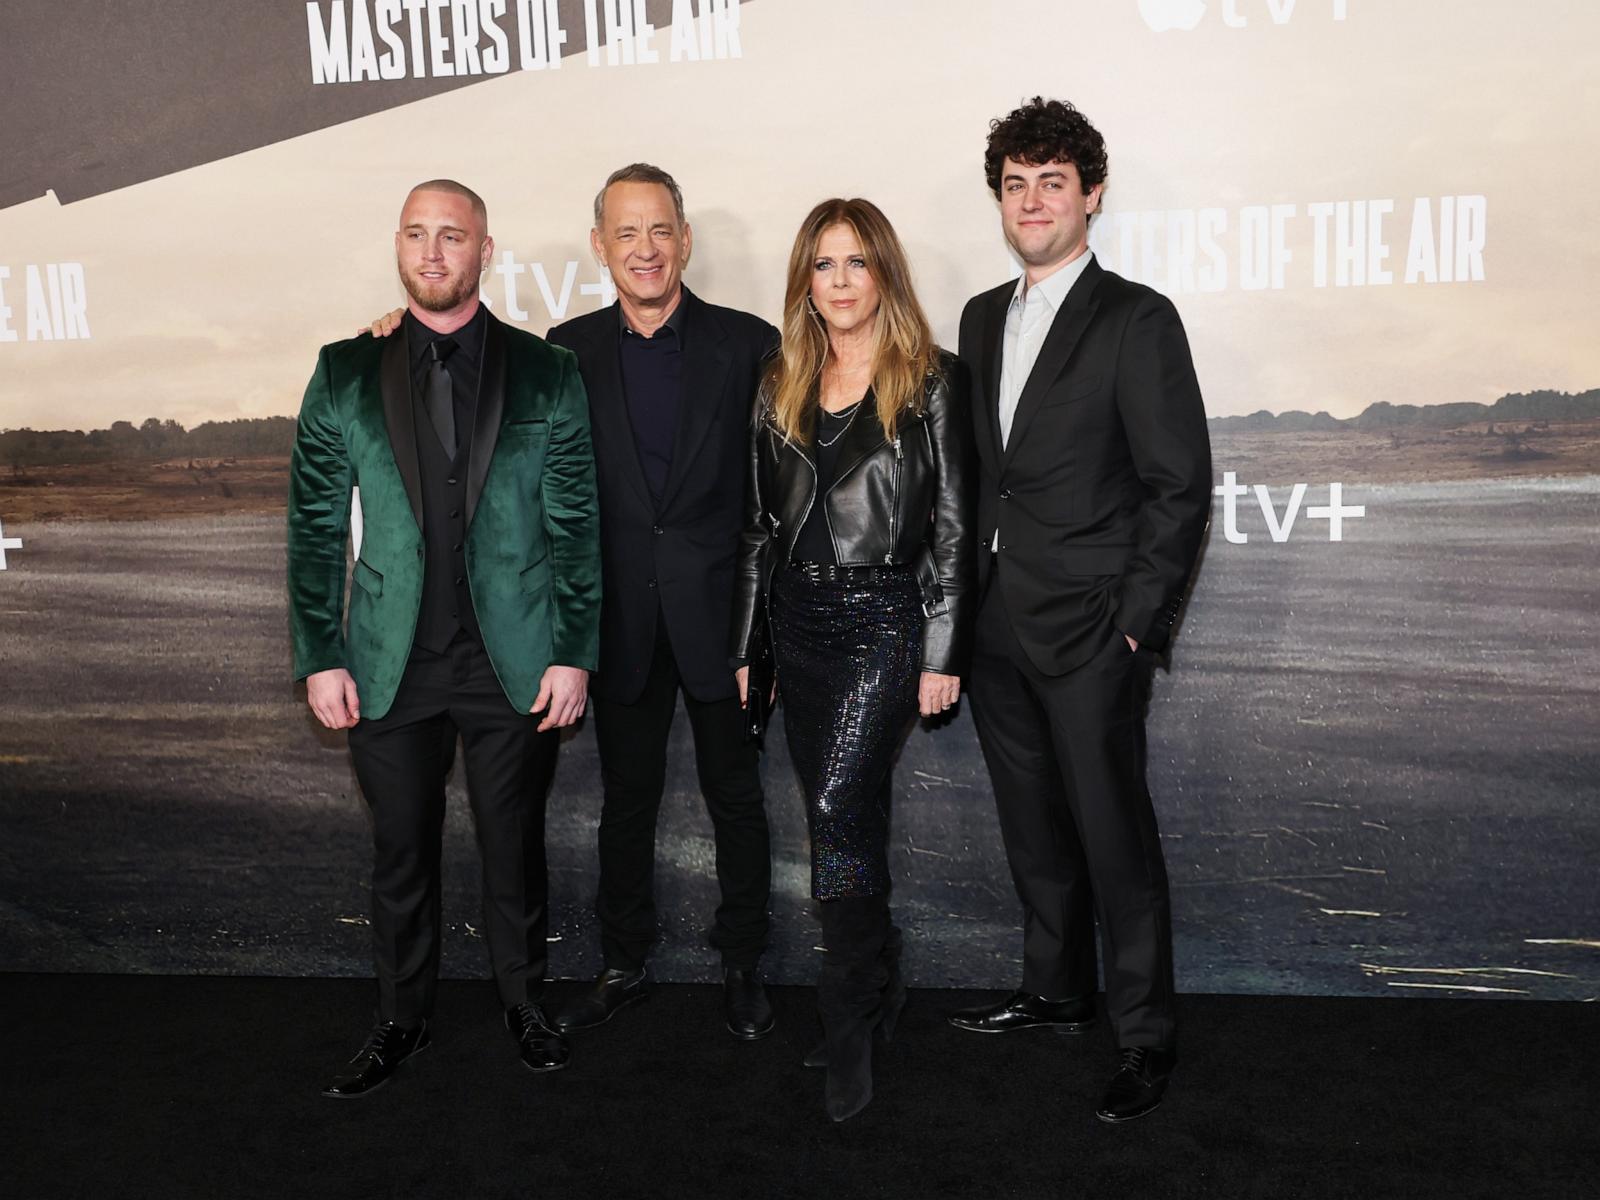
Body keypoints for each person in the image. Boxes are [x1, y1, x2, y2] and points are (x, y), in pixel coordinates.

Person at [369, 164, 780, 1039]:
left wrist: (761, 632)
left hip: (724, 623)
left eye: (660, 230)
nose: (644, 249)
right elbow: (461, 382)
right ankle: (625, 962)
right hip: (618, 624)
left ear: (686, 241)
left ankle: (744, 964)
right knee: (626, 802)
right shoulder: (564, 350)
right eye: (625, 233)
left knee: (736, 799)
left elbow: (775, 495)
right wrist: (391, 336)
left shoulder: (751, 344)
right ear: (600, 246)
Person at [288, 179, 600, 1097]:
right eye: (418, 235)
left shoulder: (547, 373)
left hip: (513, 658)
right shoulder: (344, 370)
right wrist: (320, 654)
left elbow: (574, 524)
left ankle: (523, 1005)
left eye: (452, 237)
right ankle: (401, 1019)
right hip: (389, 662)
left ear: (485, 251)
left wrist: (573, 647)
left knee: (514, 847)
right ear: (397, 245)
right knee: (400, 854)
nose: (433, 252)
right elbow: (312, 527)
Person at [949, 98, 1212, 1124]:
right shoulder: (977, 317)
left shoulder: (1136, 319)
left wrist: (1137, 624)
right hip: (996, 621)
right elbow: (981, 475)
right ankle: (1055, 990)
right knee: (1032, 828)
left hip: (1094, 627)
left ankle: (1144, 1035)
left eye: (1051, 182)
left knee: (1113, 836)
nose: (1031, 200)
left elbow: (1176, 484)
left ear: (1090, 195)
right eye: (1015, 184)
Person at [729, 198, 975, 1121]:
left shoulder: (932, 379)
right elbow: (757, 530)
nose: (839, 281)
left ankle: (846, 1017)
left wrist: (943, 647)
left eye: (856, 263)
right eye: (823, 265)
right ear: (805, 281)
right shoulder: (776, 381)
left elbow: (954, 527)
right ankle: (882, 986)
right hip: (797, 624)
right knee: (847, 813)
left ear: (884, 274)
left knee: (834, 807)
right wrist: (749, 647)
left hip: (886, 622)